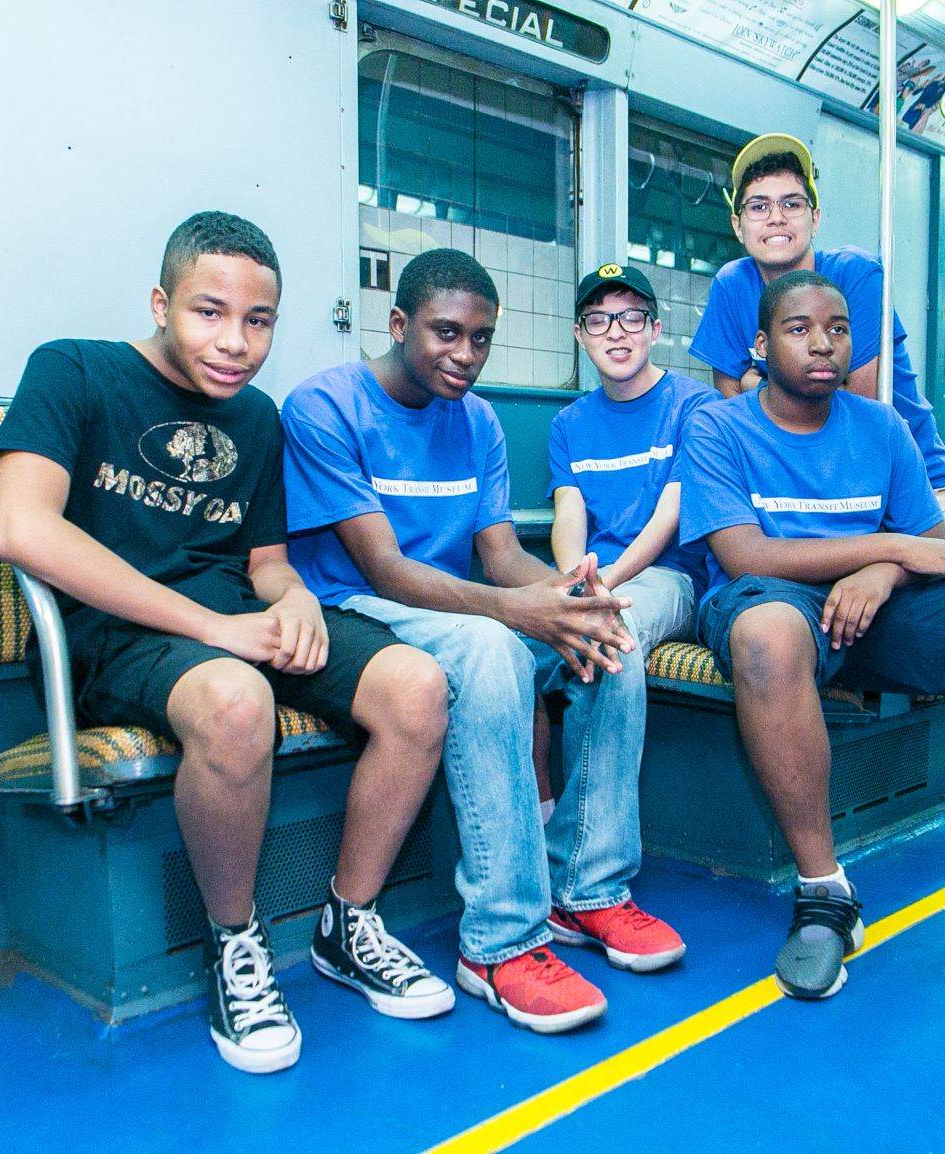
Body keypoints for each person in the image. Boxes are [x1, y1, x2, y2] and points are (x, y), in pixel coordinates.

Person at [0, 212, 455, 1075]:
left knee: (418, 685)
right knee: (238, 702)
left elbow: (267, 565)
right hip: (127, 641)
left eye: (259, 320)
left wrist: (297, 601)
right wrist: (215, 630)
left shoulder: (258, 418)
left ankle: (348, 922)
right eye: (209, 312)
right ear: (162, 302)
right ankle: (235, 945)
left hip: (239, 620)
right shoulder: (73, 369)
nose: (235, 343)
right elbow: (19, 529)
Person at [676, 269, 945, 1001]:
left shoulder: (880, 426)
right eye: (799, 328)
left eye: (839, 328)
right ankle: (826, 896)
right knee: (767, 636)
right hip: (770, 597)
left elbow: (934, 550)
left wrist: (884, 571)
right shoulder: (718, 426)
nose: (824, 343)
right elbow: (745, 555)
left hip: (874, 605)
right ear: (760, 344)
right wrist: (888, 548)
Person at [280, 248, 686, 1036]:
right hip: (355, 606)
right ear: (399, 325)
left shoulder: (478, 420)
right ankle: (499, 942)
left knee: (610, 635)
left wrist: (571, 600)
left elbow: (499, 552)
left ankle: (589, 886)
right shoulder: (324, 408)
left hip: (453, 604)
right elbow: (384, 568)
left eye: (481, 339)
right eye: (445, 333)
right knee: (492, 649)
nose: (465, 356)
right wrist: (517, 612)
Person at [690, 133, 945, 516]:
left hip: (899, 479)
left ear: (815, 218)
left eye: (792, 204)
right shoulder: (732, 284)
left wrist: (757, 383)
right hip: (795, 480)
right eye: (759, 206)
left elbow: (856, 404)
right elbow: (730, 397)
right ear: (737, 225)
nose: (776, 217)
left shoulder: (855, 275)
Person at [548, 263, 717, 657]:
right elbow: (570, 516)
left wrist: (603, 585)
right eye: (598, 320)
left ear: (654, 331)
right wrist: (575, 584)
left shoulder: (697, 407)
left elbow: (669, 516)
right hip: (596, 577)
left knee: (612, 632)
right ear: (580, 335)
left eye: (632, 317)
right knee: (529, 632)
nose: (616, 331)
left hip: (674, 581)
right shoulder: (568, 424)